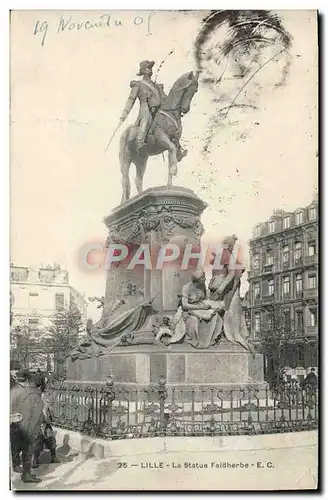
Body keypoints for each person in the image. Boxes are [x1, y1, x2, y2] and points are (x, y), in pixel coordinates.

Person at [120, 60, 167, 150]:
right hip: (145, 110)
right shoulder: (138, 85)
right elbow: (131, 99)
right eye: (147, 68)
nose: (150, 70)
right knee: (145, 121)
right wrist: (125, 113)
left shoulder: (157, 86)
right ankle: (139, 143)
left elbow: (165, 98)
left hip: (158, 111)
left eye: (150, 68)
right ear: (143, 71)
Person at [10, 370, 44, 483]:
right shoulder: (36, 398)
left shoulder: (23, 392)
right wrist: (31, 433)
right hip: (29, 430)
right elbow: (34, 418)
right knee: (28, 453)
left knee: (22, 451)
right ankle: (26, 474)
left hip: (19, 425)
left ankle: (25, 472)